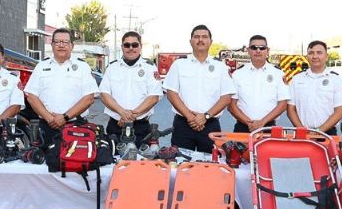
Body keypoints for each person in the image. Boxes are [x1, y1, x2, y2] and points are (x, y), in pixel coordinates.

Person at [163, 24, 235, 153]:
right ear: (191, 41)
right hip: (183, 124)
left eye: (204, 37)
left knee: (211, 166)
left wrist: (206, 116)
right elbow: (171, 93)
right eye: (196, 37)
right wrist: (190, 116)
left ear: (210, 42)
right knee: (181, 164)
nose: (200, 40)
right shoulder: (179, 64)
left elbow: (226, 97)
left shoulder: (220, 67)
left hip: (210, 125)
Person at [24, 28, 98, 142]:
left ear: (72, 46)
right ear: (52, 45)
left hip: (76, 126)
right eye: (57, 42)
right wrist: (50, 119)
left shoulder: (83, 67)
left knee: (74, 159)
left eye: (65, 42)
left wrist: (65, 117)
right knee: (47, 159)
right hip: (47, 126)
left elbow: (89, 98)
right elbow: (31, 96)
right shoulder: (41, 67)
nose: (61, 45)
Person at [99, 31, 162, 144]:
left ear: (140, 47)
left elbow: (153, 97)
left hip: (140, 127)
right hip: (116, 125)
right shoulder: (112, 67)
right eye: (127, 45)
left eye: (135, 45)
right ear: (122, 47)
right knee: (113, 160)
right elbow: (104, 95)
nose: (131, 48)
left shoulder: (149, 67)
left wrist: (130, 116)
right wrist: (122, 113)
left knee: (141, 161)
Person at [286, 40, 342, 135]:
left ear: (326, 56)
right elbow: (290, 109)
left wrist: (319, 131)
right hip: (302, 133)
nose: (315, 56)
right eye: (311, 53)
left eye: (319, 53)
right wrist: (302, 130)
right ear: (307, 56)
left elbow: (340, 111)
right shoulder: (296, 79)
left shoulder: (336, 80)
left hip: (328, 133)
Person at [228, 35, 289, 132]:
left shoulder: (278, 74)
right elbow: (231, 105)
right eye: (254, 47)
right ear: (248, 50)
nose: (258, 50)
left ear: (267, 50)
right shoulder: (238, 74)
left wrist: (262, 122)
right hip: (243, 127)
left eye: (262, 48)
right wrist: (249, 123)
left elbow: (283, 104)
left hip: (269, 128)